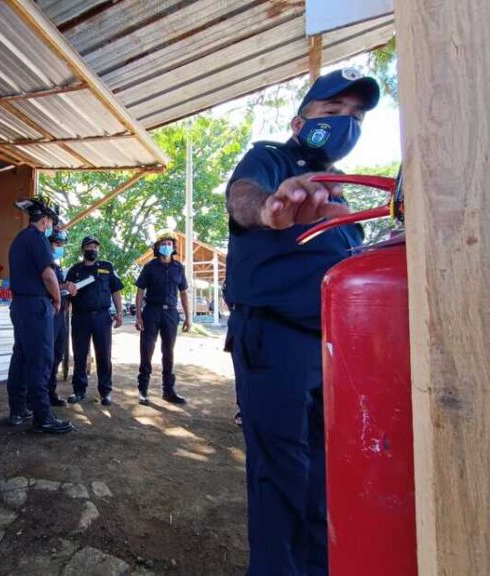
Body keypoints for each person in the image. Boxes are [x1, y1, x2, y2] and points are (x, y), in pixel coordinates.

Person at [224, 68, 380, 575]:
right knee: (281, 477)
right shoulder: (272, 159)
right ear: (299, 122)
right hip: (275, 341)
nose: (346, 123)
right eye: (332, 112)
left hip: (330, 347)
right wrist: (270, 208)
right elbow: (243, 196)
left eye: (356, 116)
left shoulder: (339, 192)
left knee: (323, 477)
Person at [6, 195, 73, 434]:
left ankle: (18, 409)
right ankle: (43, 417)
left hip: (20, 305)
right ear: (45, 220)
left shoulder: (19, 240)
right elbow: (48, 275)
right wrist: (57, 299)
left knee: (21, 358)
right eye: (51, 223)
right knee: (41, 361)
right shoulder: (38, 239)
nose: (51, 227)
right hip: (36, 306)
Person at [65, 236, 124, 406]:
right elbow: (66, 295)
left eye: (95, 247)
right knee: (79, 355)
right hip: (80, 318)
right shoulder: (74, 270)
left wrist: (119, 312)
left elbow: (116, 291)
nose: (93, 249)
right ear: (83, 249)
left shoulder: (107, 267)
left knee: (104, 355)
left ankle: (105, 392)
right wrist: (63, 310)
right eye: (89, 246)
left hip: (102, 318)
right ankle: (79, 390)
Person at [134, 229, 191, 406]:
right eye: (163, 244)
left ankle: (168, 390)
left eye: (169, 244)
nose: (166, 246)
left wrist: (188, 317)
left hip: (171, 314)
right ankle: (143, 390)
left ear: (173, 246)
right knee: (147, 351)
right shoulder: (150, 267)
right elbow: (140, 291)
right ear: (157, 247)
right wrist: (138, 315)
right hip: (151, 312)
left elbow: (184, 292)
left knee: (168, 352)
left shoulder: (178, 268)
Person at [48, 227, 78, 406]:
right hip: (48, 315)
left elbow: (59, 287)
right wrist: (64, 286)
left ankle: (50, 393)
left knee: (57, 355)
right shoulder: (44, 264)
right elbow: (48, 285)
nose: (60, 247)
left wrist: (67, 294)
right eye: (57, 244)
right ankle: (38, 397)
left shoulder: (56, 266)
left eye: (61, 244)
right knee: (46, 356)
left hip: (60, 316)